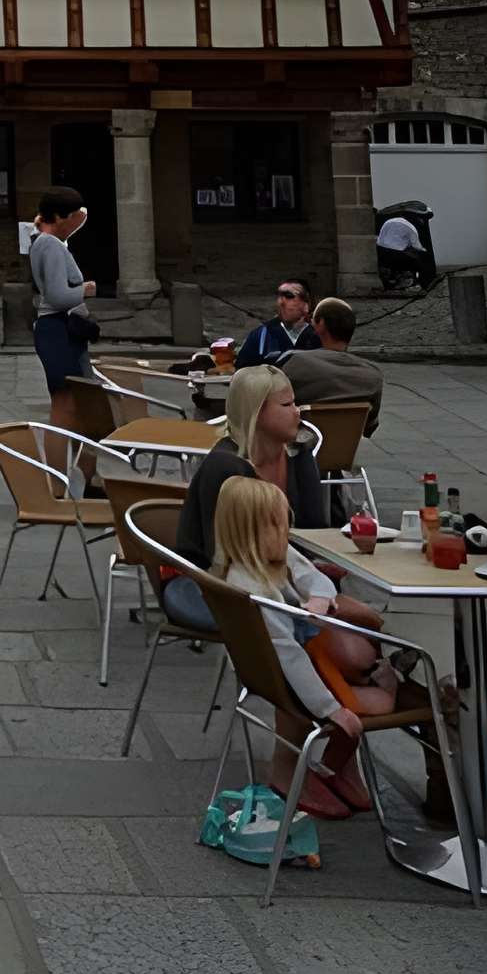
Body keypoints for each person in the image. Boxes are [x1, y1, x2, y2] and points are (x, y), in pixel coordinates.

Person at [169, 367, 383, 683]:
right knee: (362, 639)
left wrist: (323, 569)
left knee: (368, 634)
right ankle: (348, 691)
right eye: (287, 405)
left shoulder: (298, 455)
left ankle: (377, 685)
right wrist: (309, 587)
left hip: (290, 573)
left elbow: (313, 531)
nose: (298, 411)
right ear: (256, 412)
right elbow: (225, 557)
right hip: (228, 585)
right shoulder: (226, 468)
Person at [213, 474, 395, 818]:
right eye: (278, 525)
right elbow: (290, 656)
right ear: (250, 532)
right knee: (383, 701)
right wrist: (330, 709)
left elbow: (315, 577)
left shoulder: (266, 557)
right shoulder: (255, 590)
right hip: (294, 677)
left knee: (361, 646)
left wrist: (321, 599)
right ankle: (329, 766)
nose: (286, 533)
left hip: (306, 658)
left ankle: (334, 764)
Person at [28, 186, 95, 439]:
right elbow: (57, 297)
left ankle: (75, 458)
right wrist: (85, 290)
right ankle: (59, 462)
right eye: (72, 216)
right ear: (57, 217)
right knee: (66, 405)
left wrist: (78, 217)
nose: (77, 220)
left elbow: (66, 229)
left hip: (55, 330)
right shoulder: (51, 246)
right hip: (58, 329)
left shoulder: (45, 241)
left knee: (75, 405)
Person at [277, 298, 384, 434]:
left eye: (312, 320)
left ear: (321, 324)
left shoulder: (295, 363)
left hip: (299, 444)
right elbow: (369, 427)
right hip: (344, 446)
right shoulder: (373, 375)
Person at [235, 278, 320, 371]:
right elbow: (242, 372)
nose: (281, 302)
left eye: (289, 296)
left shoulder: (321, 334)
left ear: (307, 304)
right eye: (279, 296)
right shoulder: (260, 336)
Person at [376, 208, 437, 290]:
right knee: (418, 258)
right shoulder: (410, 227)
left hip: (384, 252)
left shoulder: (390, 222)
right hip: (396, 255)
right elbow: (417, 247)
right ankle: (415, 282)